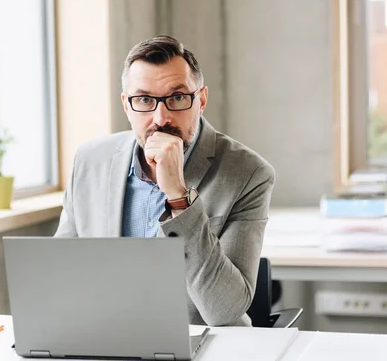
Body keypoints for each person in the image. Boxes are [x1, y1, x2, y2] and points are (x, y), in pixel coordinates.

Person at [54, 35, 275, 326]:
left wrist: (178, 198)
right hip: (105, 338)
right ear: (126, 106)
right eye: (144, 99)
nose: (161, 117)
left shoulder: (248, 173)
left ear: (202, 100)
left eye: (177, 97)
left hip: (200, 344)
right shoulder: (89, 161)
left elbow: (225, 311)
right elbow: (61, 277)